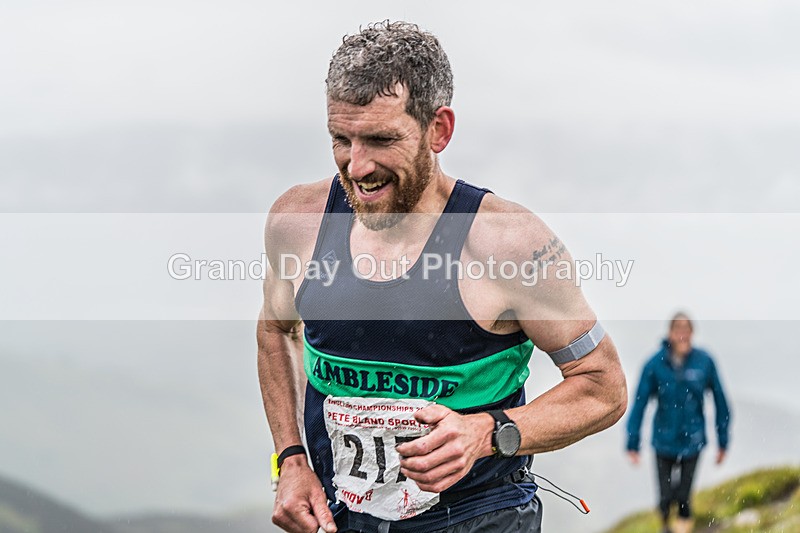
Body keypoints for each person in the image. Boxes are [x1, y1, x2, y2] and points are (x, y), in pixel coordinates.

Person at [257, 21, 627, 533]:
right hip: (339, 515)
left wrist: (486, 433)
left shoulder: (507, 242)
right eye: (341, 139)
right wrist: (291, 458)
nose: (356, 167)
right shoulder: (296, 221)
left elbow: (602, 387)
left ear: (439, 129)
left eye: (381, 139)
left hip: (480, 515)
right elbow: (276, 331)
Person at [626, 313, 731, 533]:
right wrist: (632, 442)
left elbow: (721, 400)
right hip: (663, 441)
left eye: (687, 330)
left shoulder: (704, 362)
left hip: (693, 441)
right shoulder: (655, 364)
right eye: (678, 330)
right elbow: (640, 403)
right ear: (670, 334)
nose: (682, 335)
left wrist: (723, 442)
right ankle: (665, 525)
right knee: (665, 497)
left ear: (692, 333)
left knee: (684, 496)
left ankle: (684, 526)